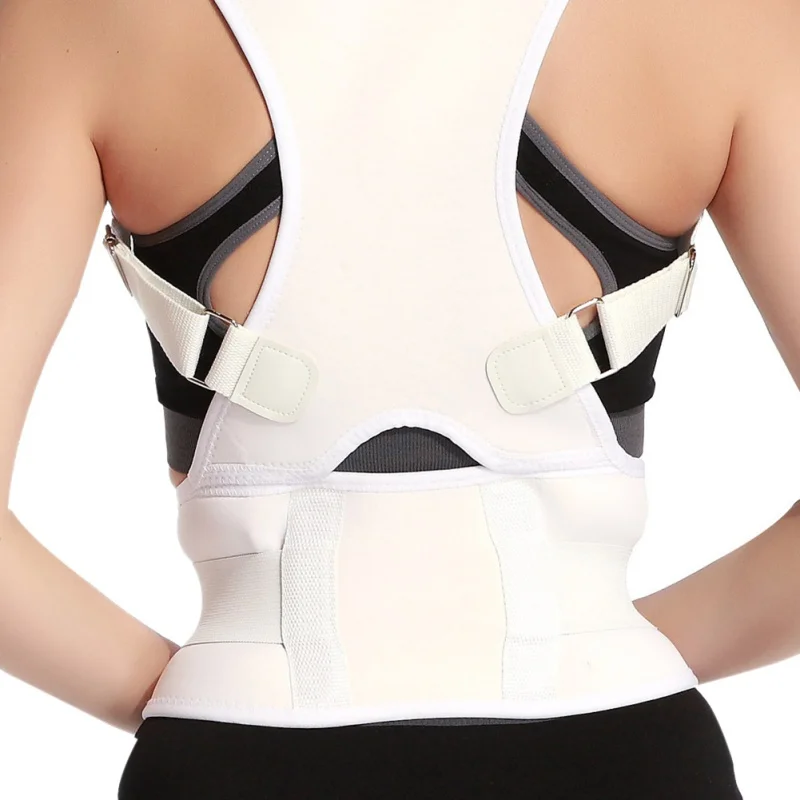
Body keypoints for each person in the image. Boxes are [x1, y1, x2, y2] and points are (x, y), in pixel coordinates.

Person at [1, 0, 798, 797]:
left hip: (241, 758)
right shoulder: (726, 20)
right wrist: (608, 653)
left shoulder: (78, 20)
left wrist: (198, 689)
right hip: (626, 757)